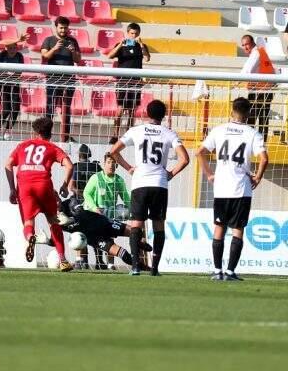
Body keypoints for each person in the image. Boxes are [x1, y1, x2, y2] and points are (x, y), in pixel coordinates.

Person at [110, 100, 190, 276]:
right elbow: (185, 158)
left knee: (136, 225)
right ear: (163, 115)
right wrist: (170, 173)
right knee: (158, 226)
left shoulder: (136, 130)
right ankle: (154, 268)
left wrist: (129, 167)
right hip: (160, 184)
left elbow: (114, 151)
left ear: (147, 113)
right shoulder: (169, 133)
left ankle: (136, 266)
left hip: (140, 183)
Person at [196, 97, 269, 281]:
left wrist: (209, 174)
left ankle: (216, 270)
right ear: (249, 114)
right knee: (238, 229)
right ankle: (230, 272)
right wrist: (258, 177)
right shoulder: (253, 133)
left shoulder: (218, 130)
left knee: (219, 228)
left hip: (221, 188)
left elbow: (199, 152)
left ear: (231, 111)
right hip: (241, 188)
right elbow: (264, 158)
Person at [5, 116, 75, 272]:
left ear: (35, 132)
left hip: (24, 186)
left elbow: (8, 164)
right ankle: (62, 260)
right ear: (50, 133)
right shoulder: (52, 147)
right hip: (43, 185)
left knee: (28, 223)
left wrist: (12, 189)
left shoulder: (22, 146)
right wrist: (64, 186)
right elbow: (69, 166)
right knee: (53, 221)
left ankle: (31, 237)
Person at [56, 196, 152, 270]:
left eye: (57, 197)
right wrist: (47, 241)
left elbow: (81, 213)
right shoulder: (54, 219)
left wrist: (71, 219)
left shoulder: (70, 202)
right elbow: (56, 240)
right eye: (53, 199)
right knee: (122, 253)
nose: (57, 201)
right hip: (94, 238)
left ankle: (138, 242)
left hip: (101, 223)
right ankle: (142, 267)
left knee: (135, 232)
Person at [79, 153, 131, 269]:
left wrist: (133, 210)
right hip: (93, 214)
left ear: (117, 165)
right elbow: (86, 193)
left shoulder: (119, 180)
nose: (111, 165)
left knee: (109, 238)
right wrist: (94, 208)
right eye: (108, 162)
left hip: (109, 214)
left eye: (113, 163)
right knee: (84, 237)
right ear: (104, 164)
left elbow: (126, 198)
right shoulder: (96, 178)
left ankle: (110, 264)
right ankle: (81, 261)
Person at [40, 16, 81, 143]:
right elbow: (44, 55)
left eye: (65, 28)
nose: (63, 30)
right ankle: (46, 136)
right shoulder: (49, 40)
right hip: (53, 79)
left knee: (66, 109)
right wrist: (54, 49)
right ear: (56, 27)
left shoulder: (72, 41)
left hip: (69, 80)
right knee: (50, 108)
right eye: (61, 28)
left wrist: (73, 52)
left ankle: (66, 137)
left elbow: (78, 60)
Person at [107, 22, 150, 141]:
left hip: (136, 82)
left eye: (136, 34)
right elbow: (109, 56)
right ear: (128, 33)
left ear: (139, 34)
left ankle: (128, 135)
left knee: (132, 110)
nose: (133, 36)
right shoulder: (121, 45)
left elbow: (147, 58)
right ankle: (115, 135)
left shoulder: (141, 46)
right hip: (122, 81)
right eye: (132, 33)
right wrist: (120, 45)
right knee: (120, 108)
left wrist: (141, 45)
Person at [240, 34, 275, 142]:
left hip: (261, 90)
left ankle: (252, 142)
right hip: (263, 89)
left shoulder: (256, 53)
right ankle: (261, 143)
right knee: (262, 119)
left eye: (247, 44)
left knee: (253, 117)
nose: (245, 47)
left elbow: (246, 71)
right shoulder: (259, 51)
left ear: (252, 43)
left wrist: (235, 81)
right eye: (243, 45)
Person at [0, 40, 24, 141]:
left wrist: (12, 75)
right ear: (6, 48)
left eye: (14, 48)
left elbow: (19, 72)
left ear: (17, 48)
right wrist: (7, 76)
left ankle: (8, 130)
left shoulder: (19, 56)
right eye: (9, 48)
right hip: (2, 85)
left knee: (15, 108)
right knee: (6, 109)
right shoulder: (0, 56)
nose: (12, 50)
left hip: (14, 84)